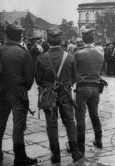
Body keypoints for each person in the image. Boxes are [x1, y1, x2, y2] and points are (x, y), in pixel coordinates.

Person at [35, 28, 83, 165]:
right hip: (66, 94)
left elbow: (38, 80)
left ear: (48, 41)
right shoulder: (70, 57)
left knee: (51, 124)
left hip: (49, 95)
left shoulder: (42, 58)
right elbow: (74, 78)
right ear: (61, 40)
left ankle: (55, 156)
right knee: (69, 122)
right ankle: (75, 153)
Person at [0, 24, 37, 165]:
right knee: (18, 125)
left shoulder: (1, 50)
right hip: (18, 94)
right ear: (20, 36)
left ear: (6, 35)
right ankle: (20, 157)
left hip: (1, 91)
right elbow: (29, 77)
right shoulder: (23, 52)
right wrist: (23, 88)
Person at [74, 29, 104, 155]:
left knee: (80, 117)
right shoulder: (100, 53)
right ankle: (98, 139)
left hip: (82, 87)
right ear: (93, 38)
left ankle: (80, 147)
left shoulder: (78, 54)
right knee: (94, 114)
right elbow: (102, 70)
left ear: (83, 38)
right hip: (95, 88)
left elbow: (74, 72)